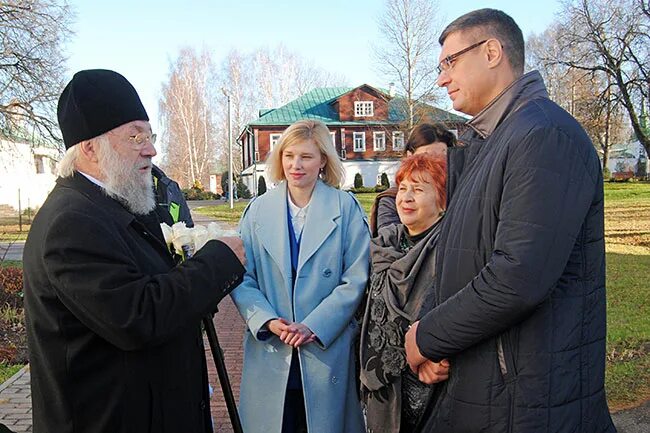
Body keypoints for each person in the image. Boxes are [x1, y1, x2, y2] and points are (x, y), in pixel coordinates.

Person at [403, 9, 615, 432]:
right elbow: (457, 257)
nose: (442, 78)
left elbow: (517, 277)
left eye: (450, 62)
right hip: (484, 385)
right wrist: (427, 338)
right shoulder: (489, 141)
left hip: (525, 401)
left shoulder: (544, 135)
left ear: (492, 51)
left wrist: (426, 337)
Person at [23, 69, 246, 433]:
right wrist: (219, 260)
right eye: (135, 136)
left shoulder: (115, 203)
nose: (152, 148)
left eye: (150, 134)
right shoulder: (71, 221)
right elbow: (136, 316)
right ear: (90, 148)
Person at [231, 119, 369, 433]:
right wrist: (266, 320)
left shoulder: (346, 208)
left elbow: (356, 278)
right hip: (272, 345)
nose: (296, 165)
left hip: (324, 348)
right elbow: (243, 276)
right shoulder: (257, 210)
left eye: (306, 156)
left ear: (323, 160)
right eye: (289, 155)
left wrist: (314, 325)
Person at [360, 153, 450, 433]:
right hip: (382, 384)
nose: (406, 197)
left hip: (430, 383)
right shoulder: (384, 244)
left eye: (419, 189)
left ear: (442, 201)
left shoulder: (450, 247)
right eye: (403, 188)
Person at [370, 123, 456, 236]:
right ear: (410, 156)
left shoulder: (459, 196)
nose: (436, 165)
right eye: (425, 158)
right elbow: (388, 243)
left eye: (442, 158)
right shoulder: (392, 200)